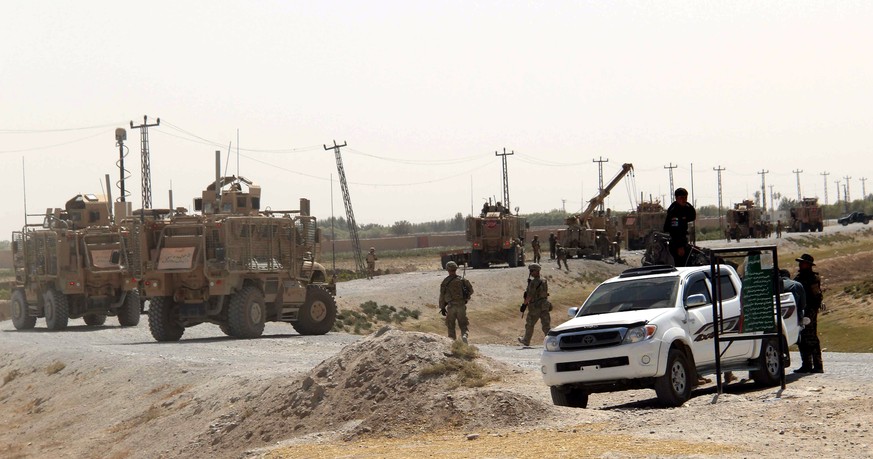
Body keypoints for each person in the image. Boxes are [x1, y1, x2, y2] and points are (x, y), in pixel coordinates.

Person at [794, 254, 824, 374]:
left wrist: (812, 312)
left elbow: (817, 296)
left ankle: (818, 365)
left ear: (809, 265)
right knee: (802, 338)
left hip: (809, 310)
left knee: (811, 337)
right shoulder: (799, 277)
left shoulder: (812, 278)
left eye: (803, 263)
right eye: (801, 263)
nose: (801, 265)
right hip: (800, 310)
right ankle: (806, 364)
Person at [439, 261, 474, 343]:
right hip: (461, 306)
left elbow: (442, 296)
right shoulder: (462, 280)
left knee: (450, 326)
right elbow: (471, 290)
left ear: (447, 269)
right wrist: (466, 298)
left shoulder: (445, 282)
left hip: (451, 307)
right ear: (455, 269)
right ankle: (464, 335)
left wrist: (442, 307)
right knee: (463, 325)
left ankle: (452, 342)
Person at [518, 263, 551, 347]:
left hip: (535, 306)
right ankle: (551, 341)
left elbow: (529, 295)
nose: (531, 272)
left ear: (537, 271)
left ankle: (526, 340)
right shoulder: (544, 280)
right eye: (530, 271)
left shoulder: (534, 282)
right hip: (544, 305)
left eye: (532, 271)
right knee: (546, 325)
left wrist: (524, 305)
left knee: (529, 324)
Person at [663, 187, 697, 267]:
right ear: (677, 198)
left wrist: (688, 204)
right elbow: (674, 231)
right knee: (681, 265)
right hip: (676, 243)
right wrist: (679, 246)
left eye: (685, 198)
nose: (684, 200)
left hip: (682, 240)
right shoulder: (674, 211)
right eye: (681, 198)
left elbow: (692, 216)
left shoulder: (684, 208)